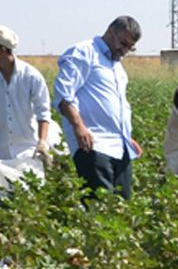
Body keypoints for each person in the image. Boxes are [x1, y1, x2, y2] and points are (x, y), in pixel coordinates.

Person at [54, 16, 144, 199]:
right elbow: (64, 95)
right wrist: (79, 127)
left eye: (130, 47)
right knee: (99, 207)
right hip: (93, 144)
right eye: (123, 43)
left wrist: (125, 136)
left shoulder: (117, 66)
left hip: (120, 147)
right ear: (110, 31)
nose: (125, 50)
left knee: (123, 207)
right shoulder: (83, 52)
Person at [0, 24, 54, 166]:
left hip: (28, 151)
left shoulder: (31, 76)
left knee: (31, 185)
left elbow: (43, 111)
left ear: (1, 51)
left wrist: (42, 142)